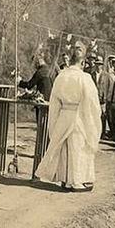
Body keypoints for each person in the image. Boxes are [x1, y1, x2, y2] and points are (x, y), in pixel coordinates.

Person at [34, 41, 102, 192]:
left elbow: (54, 100)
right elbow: (92, 103)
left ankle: (65, 179)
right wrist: (91, 119)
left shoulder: (61, 77)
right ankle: (76, 181)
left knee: (64, 146)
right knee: (77, 147)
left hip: (64, 114)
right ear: (83, 62)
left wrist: (56, 119)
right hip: (78, 115)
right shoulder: (85, 78)